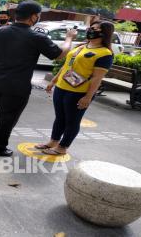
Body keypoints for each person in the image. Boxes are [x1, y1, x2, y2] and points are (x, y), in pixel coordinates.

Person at [0, 0, 77, 157]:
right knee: (7, 117)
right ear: (33, 17)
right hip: (17, 86)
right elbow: (59, 54)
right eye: (38, 16)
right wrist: (69, 38)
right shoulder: (36, 37)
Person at [37, 21, 115, 155]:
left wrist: (88, 97)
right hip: (62, 87)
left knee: (72, 121)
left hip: (79, 92)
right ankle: (53, 141)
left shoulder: (105, 53)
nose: (90, 30)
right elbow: (67, 65)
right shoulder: (82, 46)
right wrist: (54, 81)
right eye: (91, 28)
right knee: (60, 117)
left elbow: (97, 78)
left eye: (94, 29)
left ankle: (62, 147)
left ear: (104, 33)